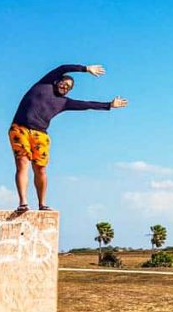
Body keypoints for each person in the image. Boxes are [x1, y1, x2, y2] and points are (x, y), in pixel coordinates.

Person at [9, 64, 128, 212]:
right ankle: (23, 203)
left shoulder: (64, 102)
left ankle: (42, 204)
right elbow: (63, 68)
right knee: (22, 162)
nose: (65, 87)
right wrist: (85, 69)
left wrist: (109, 105)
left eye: (68, 87)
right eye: (64, 83)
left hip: (41, 134)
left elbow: (86, 105)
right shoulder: (44, 84)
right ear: (57, 81)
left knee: (40, 169)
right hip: (20, 128)